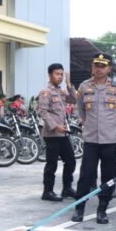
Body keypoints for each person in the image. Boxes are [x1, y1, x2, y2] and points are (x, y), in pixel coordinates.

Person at [70, 53, 116, 224]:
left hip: (111, 139)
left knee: (109, 176)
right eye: (96, 65)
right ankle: (79, 208)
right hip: (91, 139)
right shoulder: (84, 86)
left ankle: (102, 209)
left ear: (109, 68)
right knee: (86, 175)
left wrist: (110, 124)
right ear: (92, 67)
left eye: (103, 66)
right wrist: (87, 123)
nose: (99, 69)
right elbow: (80, 109)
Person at [37, 63, 77, 202]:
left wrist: (69, 84)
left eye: (61, 74)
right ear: (50, 75)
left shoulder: (61, 91)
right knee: (52, 163)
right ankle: (47, 191)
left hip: (63, 133)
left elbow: (74, 99)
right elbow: (43, 111)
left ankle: (67, 188)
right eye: (57, 74)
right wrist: (55, 126)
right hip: (52, 134)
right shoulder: (45, 92)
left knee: (71, 161)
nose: (59, 77)